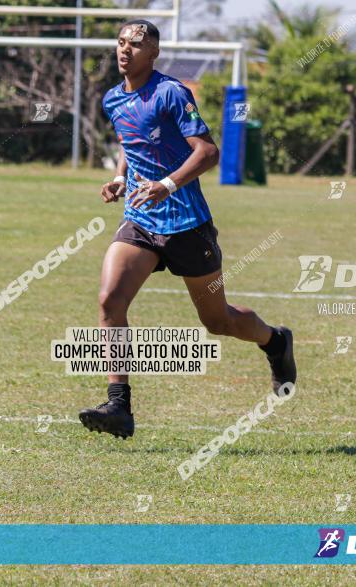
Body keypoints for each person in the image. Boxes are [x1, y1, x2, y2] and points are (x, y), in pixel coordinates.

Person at [78, 20, 295, 439]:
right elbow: (131, 144)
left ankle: (275, 341)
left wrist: (167, 185)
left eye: (137, 44)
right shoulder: (112, 98)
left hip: (187, 225)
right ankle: (119, 405)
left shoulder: (171, 93)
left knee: (218, 321)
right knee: (110, 301)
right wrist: (123, 179)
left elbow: (208, 152)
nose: (126, 50)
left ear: (154, 53)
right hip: (140, 222)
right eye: (122, 42)